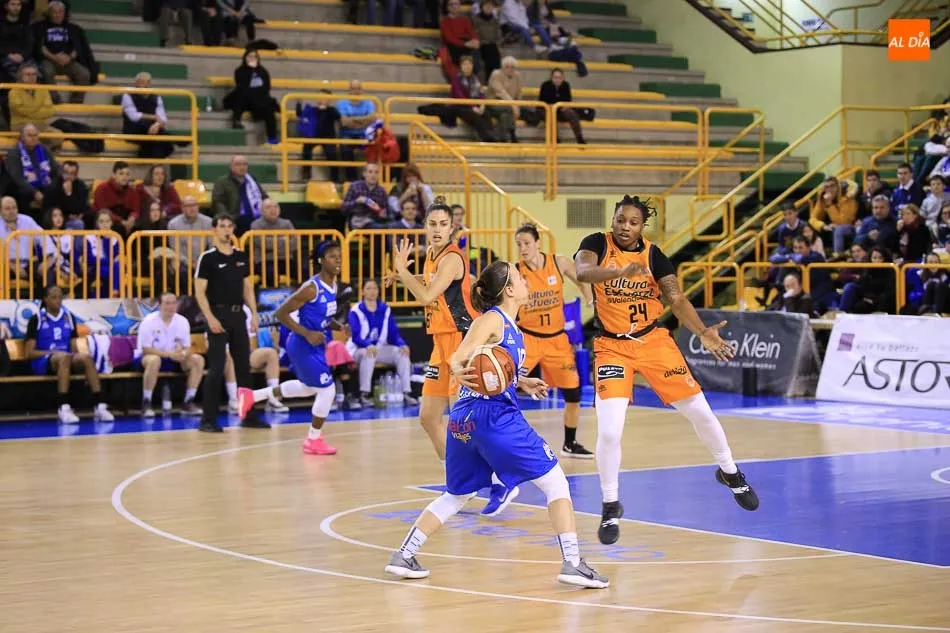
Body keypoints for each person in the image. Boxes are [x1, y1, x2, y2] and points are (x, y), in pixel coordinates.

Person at [384, 260, 608, 589]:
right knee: (557, 484)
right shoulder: (492, 318)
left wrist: (521, 381)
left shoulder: (512, 327)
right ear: (509, 290)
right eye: (520, 278)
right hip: (494, 416)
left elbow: (493, 369)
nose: (526, 281)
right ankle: (573, 563)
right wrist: (457, 368)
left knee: (457, 495)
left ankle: (404, 555)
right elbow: (460, 355)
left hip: (464, 419)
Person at [573, 195, 759, 546]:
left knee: (701, 412)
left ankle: (731, 472)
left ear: (642, 226)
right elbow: (583, 272)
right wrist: (618, 272)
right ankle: (611, 504)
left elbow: (676, 298)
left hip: (654, 342)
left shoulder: (654, 256)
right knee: (610, 432)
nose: (625, 227)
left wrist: (702, 332)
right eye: (620, 220)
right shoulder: (597, 243)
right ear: (613, 219)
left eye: (632, 222)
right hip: (612, 347)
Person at [237, 242, 348, 455]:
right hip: (302, 344)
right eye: (332, 256)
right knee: (328, 390)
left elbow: (323, 317)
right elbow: (281, 313)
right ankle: (313, 439)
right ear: (321, 261)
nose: (338, 260)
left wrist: (339, 326)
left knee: (309, 388)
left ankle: (251, 396)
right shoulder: (311, 288)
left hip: (315, 344)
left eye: (339, 256)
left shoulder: (333, 286)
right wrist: (307, 333)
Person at [514, 222, 593, 457]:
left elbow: (582, 279)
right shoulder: (515, 271)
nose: (523, 248)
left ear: (538, 243)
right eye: (519, 245)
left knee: (573, 393)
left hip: (557, 341)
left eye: (527, 243)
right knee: (505, 389)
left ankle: (570, 443)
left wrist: (590, 298)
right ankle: (507, 442)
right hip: (527, 339)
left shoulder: (558, 263)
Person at [194, 213, 269, 432]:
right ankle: (208, 419)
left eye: (230, 226)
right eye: (222, 226)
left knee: (243, 366)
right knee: (217, 367)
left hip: (238, 315)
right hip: (217, 314)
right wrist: (210, 318)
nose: (227, 230)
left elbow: (247, 288)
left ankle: (249, 415)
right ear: (214, 229)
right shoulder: (208, 258)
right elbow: (199, 292)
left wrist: (254, 314)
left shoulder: (241, 256)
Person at [23, 284, 114, 424]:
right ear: (46, 299)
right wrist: (52, 352)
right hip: (43, 361)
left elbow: (73, 345)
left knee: (86, 357)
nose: (58, 301)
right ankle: (63, 408)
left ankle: (99, 405)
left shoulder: (68, 317)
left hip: (65, 358)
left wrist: (77, 358)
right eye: (54, 297)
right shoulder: (37, 319)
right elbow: (29, 353)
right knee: (64, 357)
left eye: (60, 297)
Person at [346, 278, 416, 407]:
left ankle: (406, 392)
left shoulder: (385, 309)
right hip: (358, 349)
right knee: (369, 353)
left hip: (379, 348)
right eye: (368, 288)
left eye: (375, 288)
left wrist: (402, 344)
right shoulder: (356, 311)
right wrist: (368, 345)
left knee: (401, 353)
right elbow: (356, 337)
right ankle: (364, 394)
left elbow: (393, 334)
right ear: (362, 292)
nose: (372, 291)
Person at [136, 291, 205, 417]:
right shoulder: (148, 321)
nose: (171, 306)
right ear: (159, 305)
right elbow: (146, 349)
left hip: (174, 358)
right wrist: (168, 354)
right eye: (167, 303)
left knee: (198, 360)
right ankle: (146, 402)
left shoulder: (182, 321)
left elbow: (186, 347)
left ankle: (188, 401)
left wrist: (183, 353)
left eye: (174, 303)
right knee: (154, 360)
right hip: (150, 357)